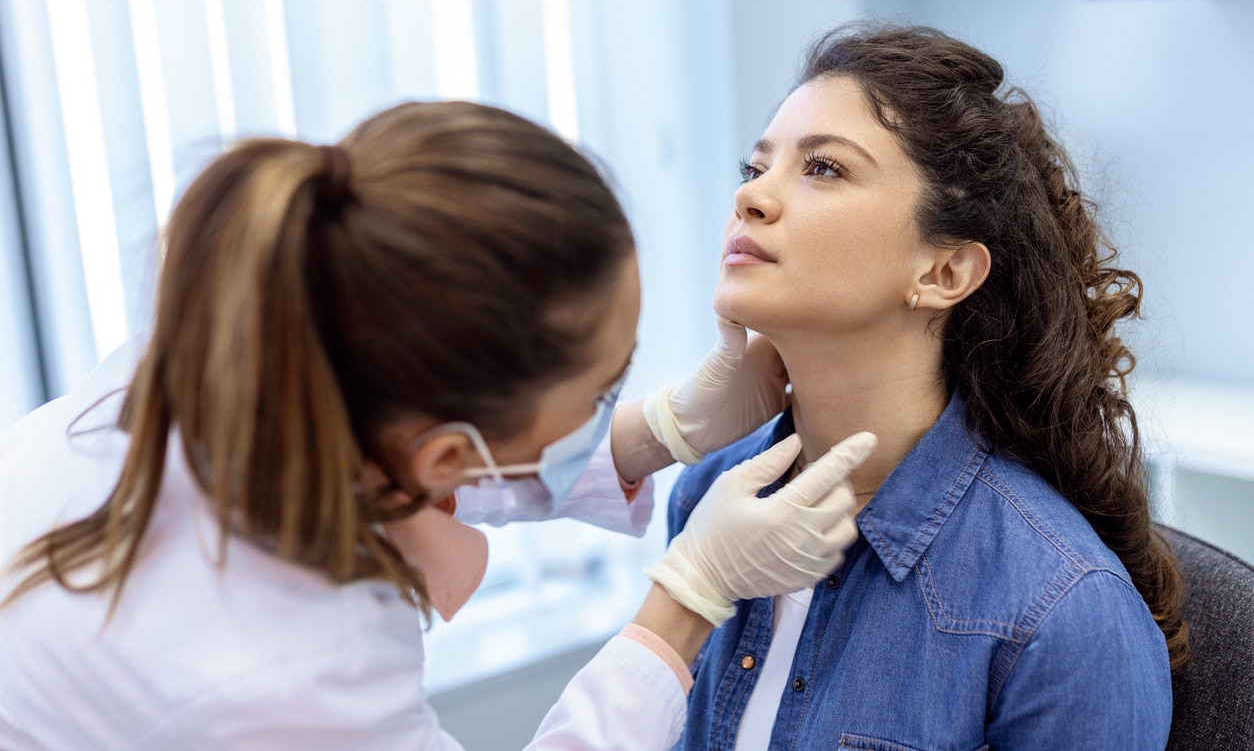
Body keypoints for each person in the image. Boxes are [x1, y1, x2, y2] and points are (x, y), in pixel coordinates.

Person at [0, 100, 878, 749]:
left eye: (826, 166)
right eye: (600, 397)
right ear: (451, 452)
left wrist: (658, 434)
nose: (756, 199)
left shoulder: (238, 351)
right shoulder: (284, 676)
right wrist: (688, 598)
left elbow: (383, 461)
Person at [668, 23, 1187, 750]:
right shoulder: (708, 495)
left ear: (943, 272)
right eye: (755, 168)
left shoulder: (1063, 614)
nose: (750, 198)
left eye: (822, 168)